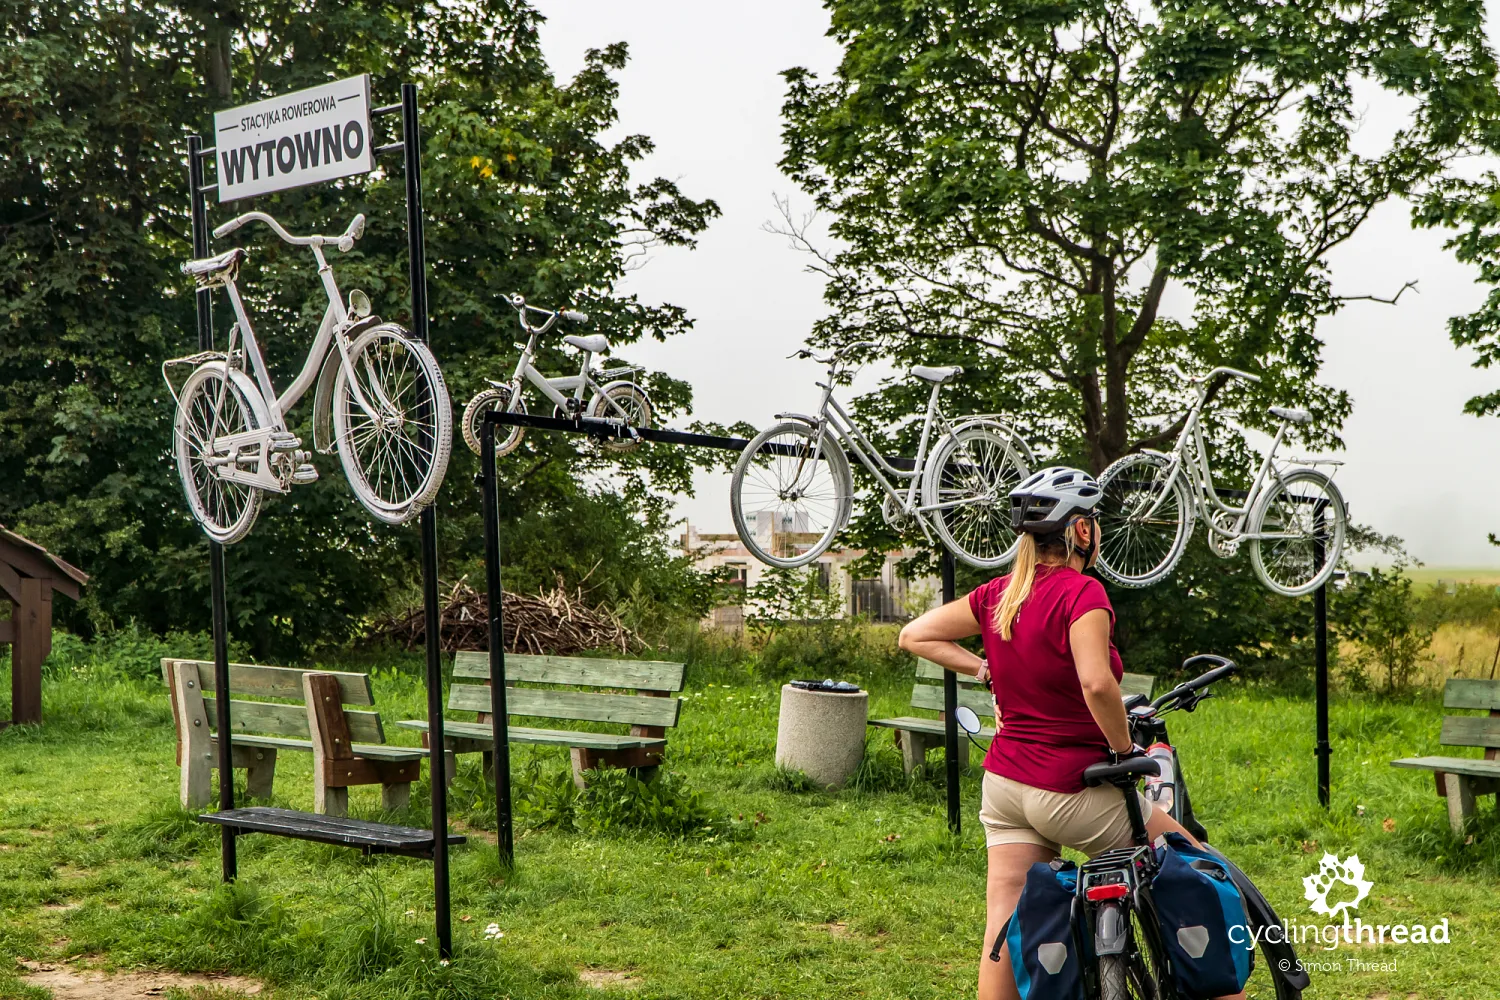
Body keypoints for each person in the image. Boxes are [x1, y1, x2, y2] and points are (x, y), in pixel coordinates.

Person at [898, 466, 1245, 1000]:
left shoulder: (997, 594)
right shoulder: (1083, 593)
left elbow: (914, 634)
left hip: (1005, 789)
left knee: (1004, 922)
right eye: (1096, 521)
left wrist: (984, 669)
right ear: (1082, 531)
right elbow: (1096, 683)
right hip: (1072, 788)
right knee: (1194, 866)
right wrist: (1125, 750)